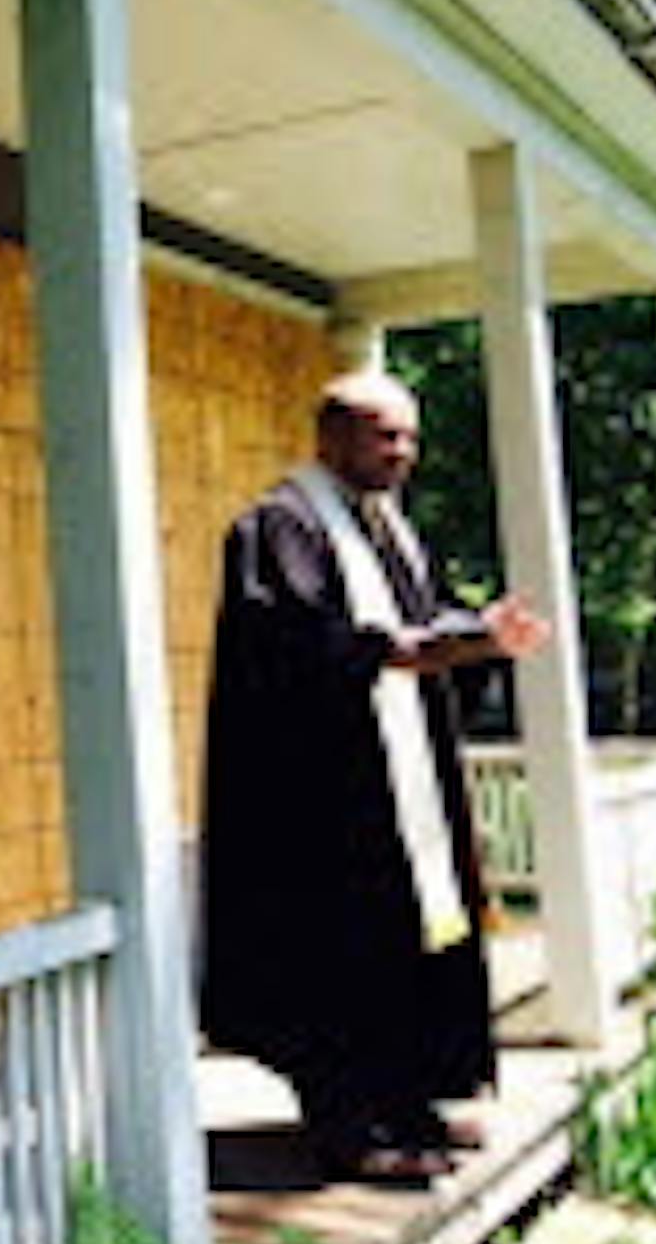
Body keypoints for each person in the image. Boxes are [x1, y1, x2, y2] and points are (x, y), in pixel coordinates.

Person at [200, 371, 552, 1184]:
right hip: (322, 808)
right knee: (343, 958)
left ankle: (410, 1100)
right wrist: (400, 650)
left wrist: (478, 640)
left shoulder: (390, 533)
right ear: (329, 438)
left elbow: (428, 635)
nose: (401, 453)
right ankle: (350, 1130)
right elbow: (297, 651)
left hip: (402, 795)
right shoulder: (278, 529)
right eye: (381, 434)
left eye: (409, 438)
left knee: (417, 945)